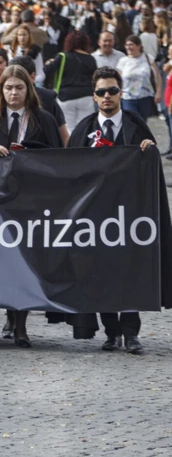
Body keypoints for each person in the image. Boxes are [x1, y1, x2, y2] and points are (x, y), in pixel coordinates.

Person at [64, 67, 157, 354]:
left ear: (121, 93)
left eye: (112, 90)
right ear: (94, 96)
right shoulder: (84, 130)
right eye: (102, 91)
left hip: (130, 215)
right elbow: (69, 171)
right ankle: (111, 331)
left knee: (129, 271)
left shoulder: (136, 125)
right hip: (95, 218)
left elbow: (150, 167)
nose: (107, 96)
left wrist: (149, 150)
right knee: (100, 272)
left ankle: (131, 332)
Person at [0, 65, 62, 348]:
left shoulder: (43, 119)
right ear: (1, 90)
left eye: (19, 88)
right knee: (3, 261)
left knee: (25, 261)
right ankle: (10, 315)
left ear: (28, 89)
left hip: (31, 200)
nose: (14, 93)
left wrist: (30, 155)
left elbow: (57, 157)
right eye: (9, 88)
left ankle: (21, 324)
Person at [45, 30, 98, 126]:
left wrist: (48, 63)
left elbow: (47, 70)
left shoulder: (62, 56)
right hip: (87, 96)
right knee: (85, 127)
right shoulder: (91, 59)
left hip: (66, 96)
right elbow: (95, 78)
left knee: (68, 127)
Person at [117, 34, 159, 122]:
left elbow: (157, 77)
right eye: (126, 45)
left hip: (145, 96)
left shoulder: (148, 58)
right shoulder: (123, 61)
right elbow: (118, 80)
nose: (128, 47)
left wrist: (158, 93)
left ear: (139, 46)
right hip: (128, 97)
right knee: (132, 121)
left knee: (142, 122)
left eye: (131, 45)